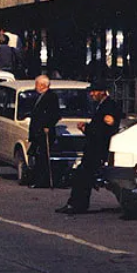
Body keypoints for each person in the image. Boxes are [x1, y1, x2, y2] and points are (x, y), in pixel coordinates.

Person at [57, 80, 122, 214]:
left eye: (94, 91)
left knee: (82, 176)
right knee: (82, 176)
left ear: (102, 92)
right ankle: (77, 204)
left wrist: (86, 128)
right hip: (93, 148)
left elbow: (104, 130)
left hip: (99, 149)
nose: (92, 94)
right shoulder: (100, 106)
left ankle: (76, 205)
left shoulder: (109, 106)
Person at [27, 74, 62, 188]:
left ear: (42, 85)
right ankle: (36, 179)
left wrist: (48, 125)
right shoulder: (41, 96)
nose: (35, 86)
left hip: (44, 132)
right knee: (37, 157)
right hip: (37, 132)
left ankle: (43, 181)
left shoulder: (51, 96)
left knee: (43, 157)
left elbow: (55, 114)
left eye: (37, 84)